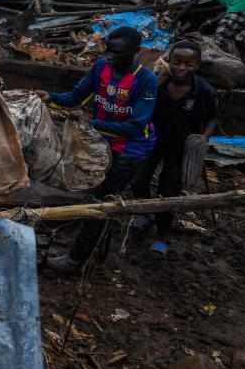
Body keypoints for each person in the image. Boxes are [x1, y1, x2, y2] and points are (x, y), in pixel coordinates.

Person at [41, 27, 158, 275]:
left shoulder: (146, 80)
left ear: (136, 52)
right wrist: (48, 97)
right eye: (108, 49)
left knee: (98, 201)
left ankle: (75, 262)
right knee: (95, 195)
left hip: (130, 148)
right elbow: (75, 97)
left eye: (118, 52)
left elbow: (136, 126)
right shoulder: (100, 68)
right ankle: (96, 250)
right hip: (101, 141)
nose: (110, 55)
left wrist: (90, 124)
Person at [129, 39, 218, 257]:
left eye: (188, 64)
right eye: (177, 62)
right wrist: (157, 82)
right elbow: (135, 100)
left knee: (169, 193)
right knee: (138, 181)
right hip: (151, 143)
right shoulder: (157, 83)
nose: (181, 68)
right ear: (169, 61)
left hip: (181, 150)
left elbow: (212, 119)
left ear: (196, 66)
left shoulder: (204, 91)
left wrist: (203, 139)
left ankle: (161, 236)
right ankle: (145, 214)